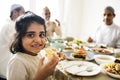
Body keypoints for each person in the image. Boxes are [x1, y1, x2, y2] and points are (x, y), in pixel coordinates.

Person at [7, 11, 65, 80]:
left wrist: (55, 61)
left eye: (41, 35)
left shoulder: (38, 53)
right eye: (30, 35)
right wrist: (41, 76)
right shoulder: (17, 62)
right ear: (19, 37)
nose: (38, 40)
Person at [0, 4, 25, 80]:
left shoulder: (10, 24)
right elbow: (16, 45)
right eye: (22, 12)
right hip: (5, 61)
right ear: (14, 12)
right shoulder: (10, 26)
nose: (24, 15)